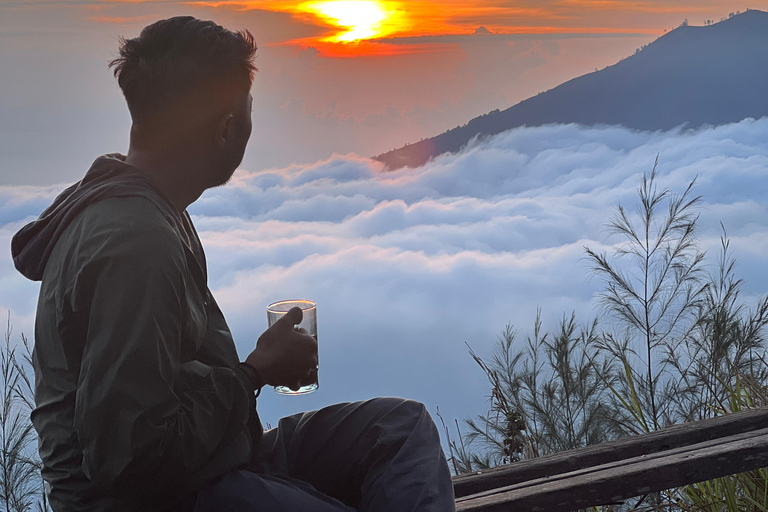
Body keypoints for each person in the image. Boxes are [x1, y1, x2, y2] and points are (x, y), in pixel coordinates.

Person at [11, 16, 455, 512]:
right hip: (152, 498)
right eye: (247, 110)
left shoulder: (145, 204)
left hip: (212, 457)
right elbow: (126, 459)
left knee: (398, 428)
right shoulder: (138, 245)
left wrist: (247, 381)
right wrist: (254, 373)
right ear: (226, 129)